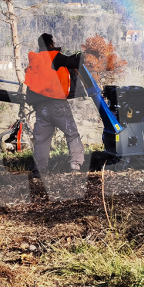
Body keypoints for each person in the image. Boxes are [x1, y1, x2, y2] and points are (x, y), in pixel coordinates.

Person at [25, 33, 84, 178]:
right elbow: (76, 63)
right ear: (51, 44)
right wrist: (79, 55)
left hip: (41, 107)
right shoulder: (54, 57)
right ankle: (75, 165)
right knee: (72, 133)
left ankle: (39, 170)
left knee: (41, 139)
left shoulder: (36, 60)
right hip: (57, 104)